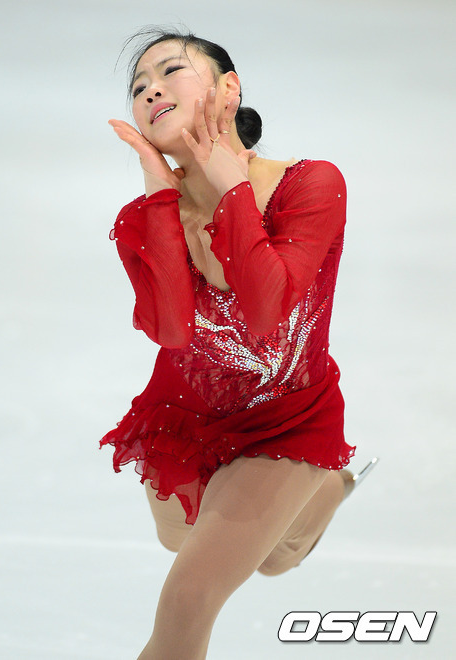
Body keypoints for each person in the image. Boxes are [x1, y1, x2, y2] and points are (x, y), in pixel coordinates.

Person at [100, 27, 375, 660]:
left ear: (229, 89)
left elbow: (267, 312)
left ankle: (313, 478)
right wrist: (163, 196)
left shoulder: (310, 185)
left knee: (189, 597)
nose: (151, 90)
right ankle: (328, 489)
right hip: (186, 418)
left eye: (171, 71)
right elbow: (171, 328)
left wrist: (232, 194)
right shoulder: (143, 218)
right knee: (238, 552)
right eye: (139, 87)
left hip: (285, 421)